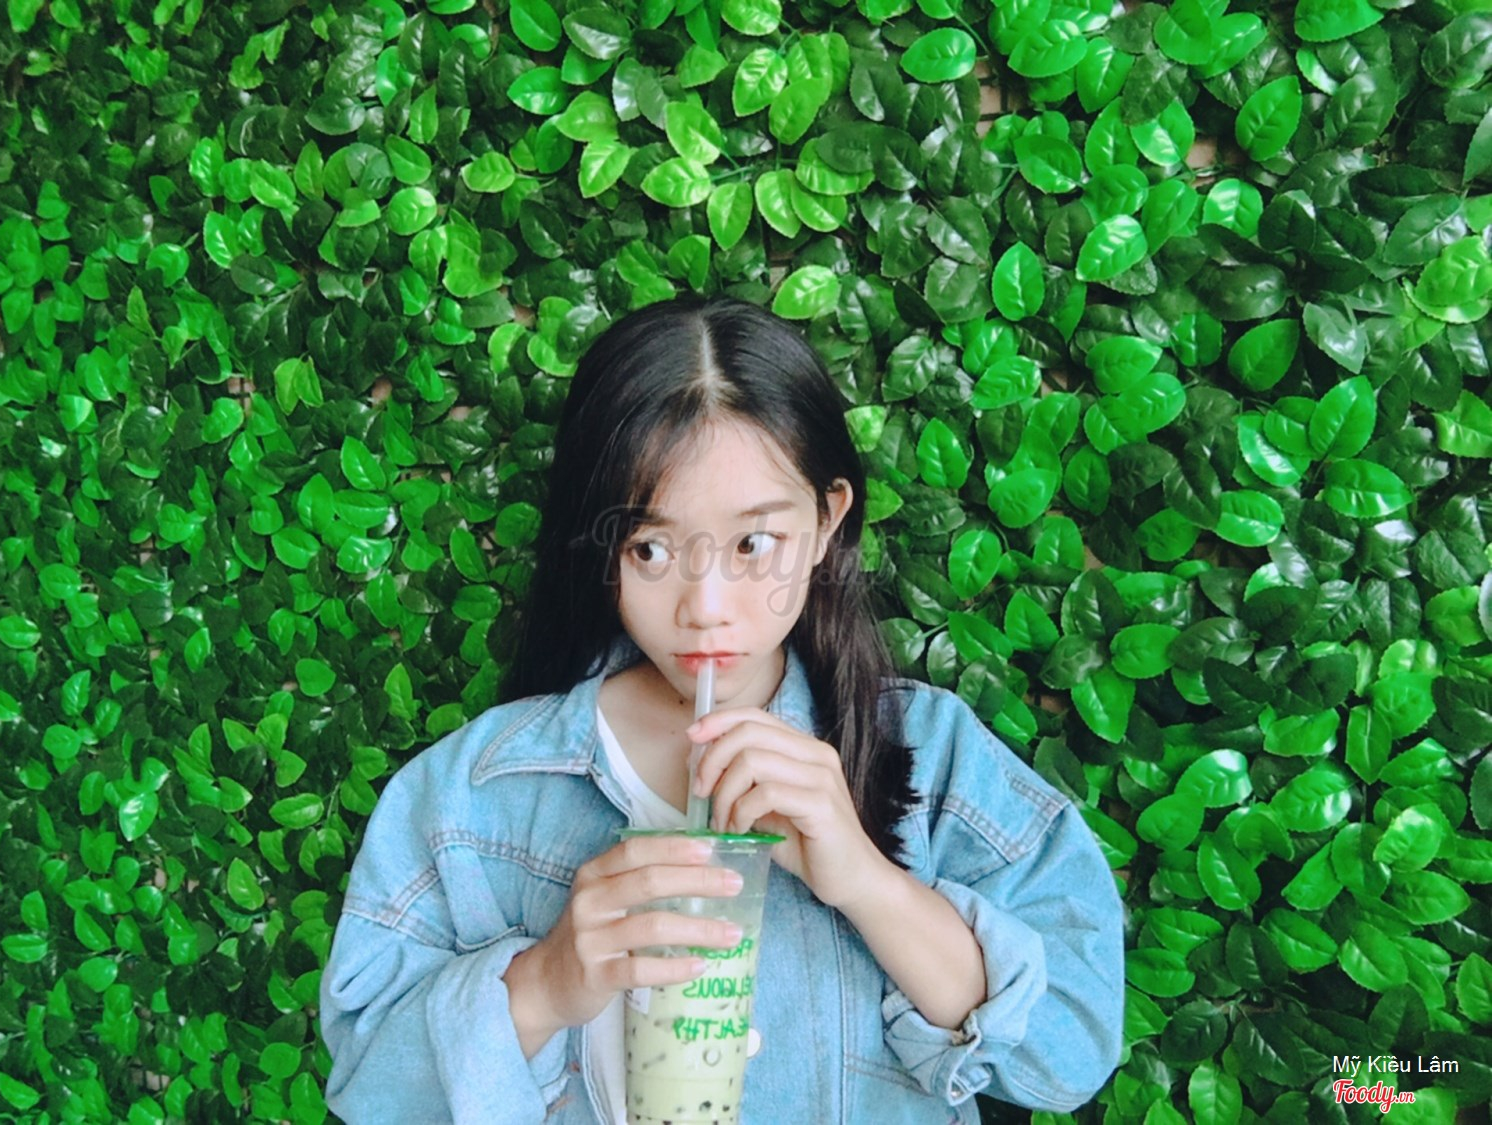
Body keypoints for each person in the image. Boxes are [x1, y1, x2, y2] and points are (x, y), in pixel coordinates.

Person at [319, 295, 1124, 1123]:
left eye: (752, 544)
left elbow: (1072, 1053)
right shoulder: (475, 793)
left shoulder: (929, 752)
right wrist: (545, 983)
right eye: (651, 548)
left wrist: (867, 881)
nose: (705, 608)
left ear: (826, 522)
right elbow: (367, 1088)